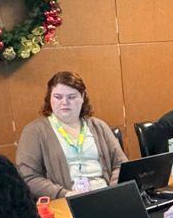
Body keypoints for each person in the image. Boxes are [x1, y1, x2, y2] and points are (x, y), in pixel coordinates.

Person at [15, 70, 124, 199]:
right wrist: (65, 194)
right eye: (58, 97)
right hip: (65, 199)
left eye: (71, 97)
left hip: (105, 194)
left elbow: (120, 164)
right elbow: (28, 177)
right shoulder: (35, 131)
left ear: (82, 97)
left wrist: (113, 189)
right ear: (49, 98)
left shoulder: (99, 126)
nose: (64, 102)